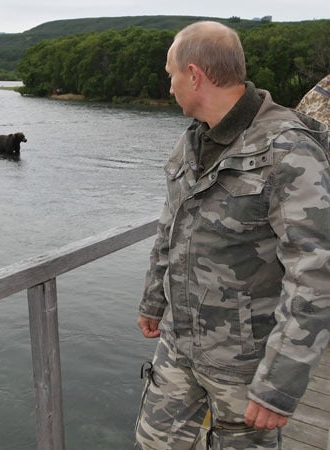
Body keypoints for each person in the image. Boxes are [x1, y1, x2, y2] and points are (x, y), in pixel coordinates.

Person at [135, 20, 330, 450]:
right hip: (178, 345)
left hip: (246, 362)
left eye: (171, 75)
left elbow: (316, 273)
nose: (169, 88)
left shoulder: (288, 150)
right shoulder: (193, 142)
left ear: (194, 74)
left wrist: (281, 382)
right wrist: (154, 300)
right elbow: (169, 226)